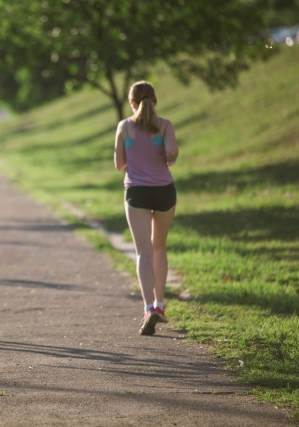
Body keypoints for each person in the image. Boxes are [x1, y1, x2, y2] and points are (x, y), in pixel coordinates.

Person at [113, 81, 179, 336]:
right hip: (164, 192)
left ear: (132, 103)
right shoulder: (165, 125)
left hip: (137, 193)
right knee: (159, 246)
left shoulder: (124, 126)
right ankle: (160, 306)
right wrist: (168, 155)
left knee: (143, 252)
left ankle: (148, 307)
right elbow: (172, 154)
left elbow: (119, 164)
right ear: (155, 100)